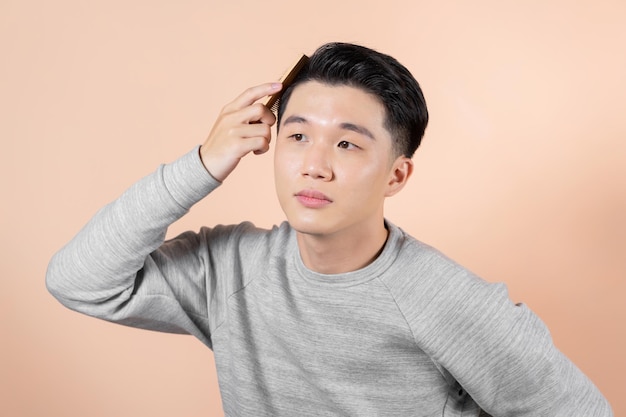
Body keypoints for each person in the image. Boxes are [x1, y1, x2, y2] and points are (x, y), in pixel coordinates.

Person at [46, 42, 612, 416]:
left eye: (346, 143)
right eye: (297, 136)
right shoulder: (229, 268)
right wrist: (200, 164)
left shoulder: (445, 300)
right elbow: (79, 281)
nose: (314, 164)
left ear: (397, 175)